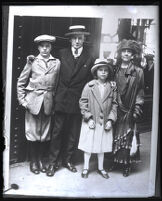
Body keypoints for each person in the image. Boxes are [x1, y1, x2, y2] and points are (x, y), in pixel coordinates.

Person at [46, 25, 96, 177]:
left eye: (80, 38)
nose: (77, 41)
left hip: (77, 100)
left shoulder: (89, 56)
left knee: (73, 133)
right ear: (70, 40)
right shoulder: (61, 53)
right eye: (74, 38)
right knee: (57, 132)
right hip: (61, 99)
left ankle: (68, 160)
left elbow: (90, 80)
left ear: (84, 39)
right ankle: (52, 163)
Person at [17, 35, 60, 175]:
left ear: (51, 47)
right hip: (33, 102)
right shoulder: (32, 61)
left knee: (45, 134)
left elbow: (58, 83)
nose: (45, 49)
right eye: (42, 46)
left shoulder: (56, 63)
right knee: (32, 133)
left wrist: (55, 101)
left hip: (48, 102)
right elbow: (21, 82)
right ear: (38, 47)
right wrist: (23, 101)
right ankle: (33, 161)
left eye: (47, 46)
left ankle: (41, 160)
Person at [78, 59, 118, 179]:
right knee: (89, 145)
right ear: (96, 72)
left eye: (106, 70)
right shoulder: (89, 86)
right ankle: (86, 167)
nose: (103, 72)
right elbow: (83, 102)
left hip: (104, 121)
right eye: (101, 70)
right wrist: (88, 118)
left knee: (102, 146)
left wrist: (111, 120)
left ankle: (101, 168)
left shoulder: (111, 87)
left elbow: (115, 104)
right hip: (92, 120)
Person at [111, 39, 144, 177]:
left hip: (129, 108)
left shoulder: (138, 71)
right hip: (115, 107)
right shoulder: (114, 69)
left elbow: (140, 91)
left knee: (128, 136)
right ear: (119, 53)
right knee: (114, 135)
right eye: (123, 51)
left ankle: (126, 164)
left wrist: (137, 108)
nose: (125, 54)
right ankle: (114, 161)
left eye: (128, 52)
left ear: (132, 55)